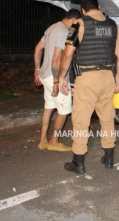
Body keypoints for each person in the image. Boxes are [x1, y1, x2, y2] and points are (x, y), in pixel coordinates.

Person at [58, 0, 119, 175]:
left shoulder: (79, 24)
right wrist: (118, 79)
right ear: (99, 6)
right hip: (107, 77)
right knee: (107, 118)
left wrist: (62, 77)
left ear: (83, 10)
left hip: (87, 78)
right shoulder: (113, 26)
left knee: (81, 120)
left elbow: (68, 54)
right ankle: (109, 158)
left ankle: (78, 162)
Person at [33, 9, 81, 152]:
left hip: (44, 74)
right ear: (74, 20)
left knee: (49, 107)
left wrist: (37, 70)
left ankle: (42, 141)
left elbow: (37, 48)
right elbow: (56, 59)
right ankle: (54, 142)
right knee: (64, 109)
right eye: (77, 23)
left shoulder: (52, 28)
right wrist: (56, 81)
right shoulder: (63, 32)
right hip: (54, 77)